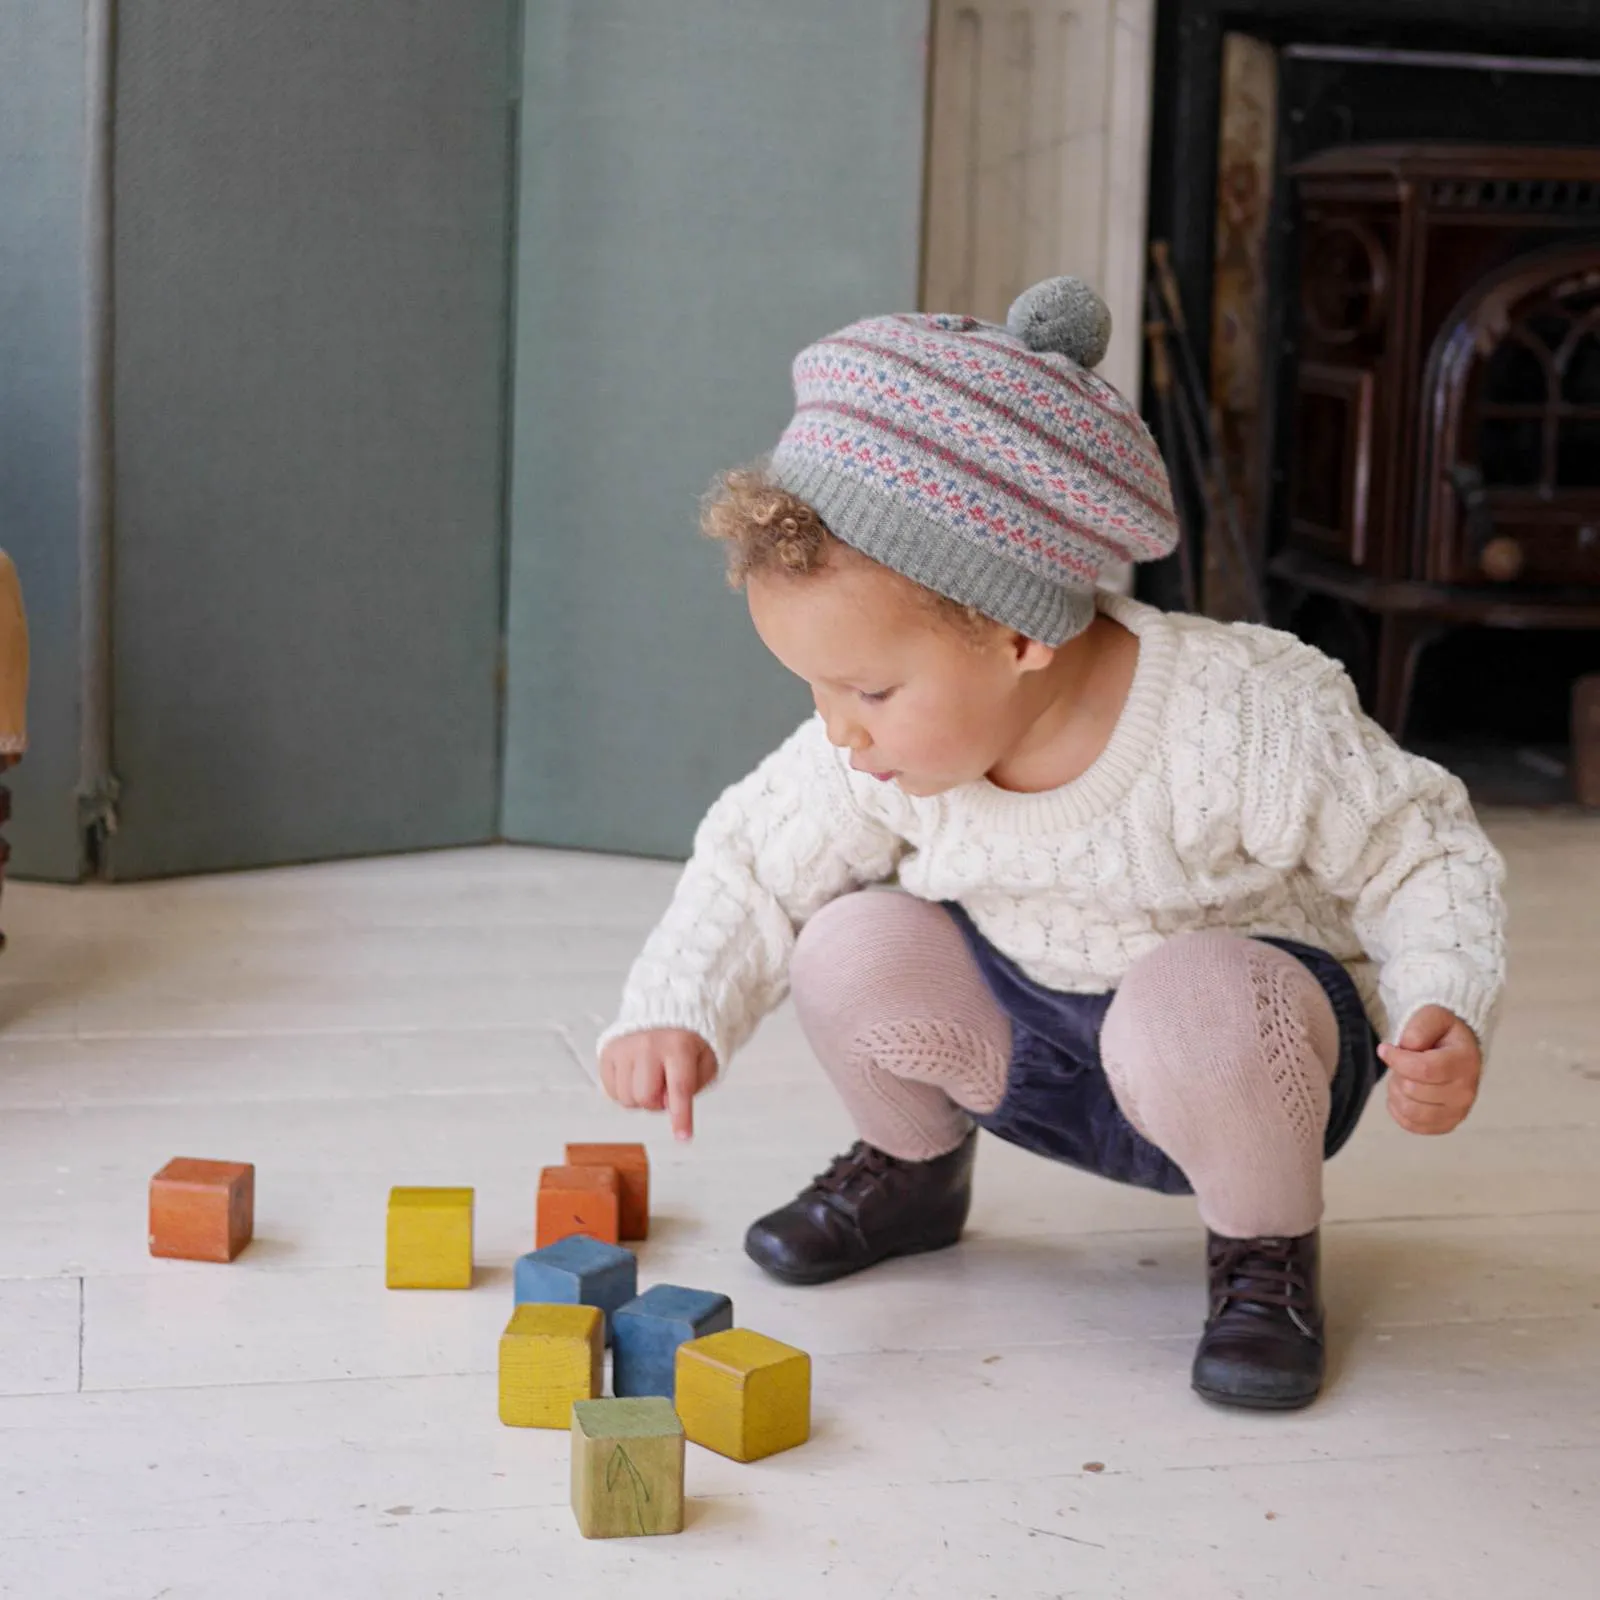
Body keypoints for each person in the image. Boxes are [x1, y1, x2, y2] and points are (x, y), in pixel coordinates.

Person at [595, 278, 1507, 1410]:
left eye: (868, 687)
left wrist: (1442, 998)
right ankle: (913, 1173)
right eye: (817, 689)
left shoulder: (1235, 716)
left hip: (1230, 1065)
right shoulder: (875, 753)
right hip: (1027, 1048)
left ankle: (1263, 1256)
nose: (838, 728)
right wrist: (674, 1005)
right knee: (843, 940)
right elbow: (751, 857)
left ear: (1019, 633)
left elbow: (1416, 845)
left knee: (1196, 998)